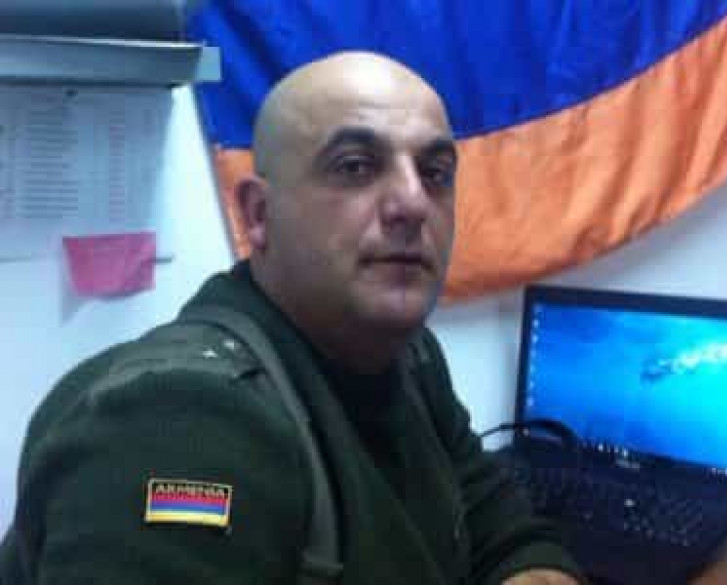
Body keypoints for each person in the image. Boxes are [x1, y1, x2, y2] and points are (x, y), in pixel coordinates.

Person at [0, 52, 582, 585]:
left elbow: (508, 535)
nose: (412, 202)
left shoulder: (409, 359)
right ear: (258, 215)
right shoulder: (178, 424)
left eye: (435, 172)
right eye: (355, 167)